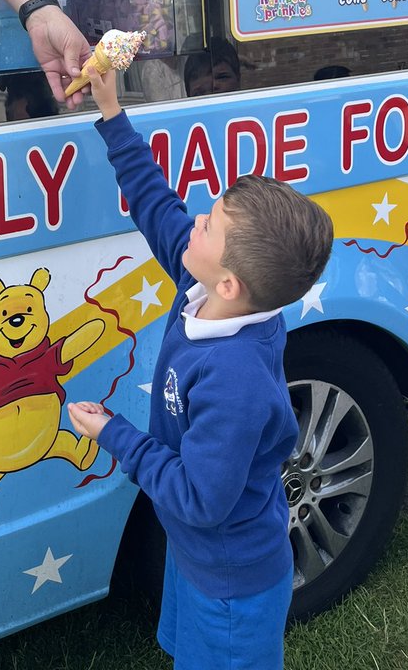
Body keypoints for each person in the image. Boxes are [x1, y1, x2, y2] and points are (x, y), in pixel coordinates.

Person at [68, 65, 333, 670]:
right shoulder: (205, 287)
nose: (194, 222)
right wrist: (112, 115)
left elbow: (199, 496)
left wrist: (115, 435)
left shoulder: (235, 379)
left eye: (208, 225)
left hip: (231, 581)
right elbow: (156, 207)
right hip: (197, 560)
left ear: (231, 283)